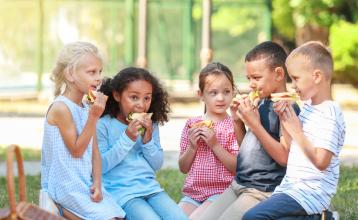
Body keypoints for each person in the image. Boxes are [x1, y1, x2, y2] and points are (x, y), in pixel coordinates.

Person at [198, 41, 300, 220]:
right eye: (249, 78)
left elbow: (284, 157)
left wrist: (255, 124)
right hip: (239, 184)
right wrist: (238, 122)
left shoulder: (287, 107)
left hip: (261, 190)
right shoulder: (261, 102)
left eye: (256, 77)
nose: (251, 84)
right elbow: (248, 148)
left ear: (278, 74)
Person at [243, 41, 346, 219]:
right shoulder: (308, 108)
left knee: (252, 217)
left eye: (296, 78)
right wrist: (284, 120)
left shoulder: (329, 114)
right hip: (290, 187)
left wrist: (297, 130)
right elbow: (293, 149)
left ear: (317, 76)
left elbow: (322, 162)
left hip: (309, 193)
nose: (293, 86)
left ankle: (319, 217)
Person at [40, 41, 125, 219]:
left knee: (119, 216)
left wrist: (97, 183)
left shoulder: (86, 106)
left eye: (100, 71)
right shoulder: (61, 108)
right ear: (70, 74)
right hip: (64, 186)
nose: (98, 78)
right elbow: (77, 150)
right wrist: (94, 117)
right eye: (91, 72)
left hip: (83, 183)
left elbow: (94, 153)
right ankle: (58, 207)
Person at [96, 67, 188, 220]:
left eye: (147, 98)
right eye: (134, 97)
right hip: (122, 193)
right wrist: (127, 137)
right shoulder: (103, 124)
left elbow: (157, 164)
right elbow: (101, 166)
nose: (141, 105)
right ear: (117, 95)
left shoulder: (151, 124)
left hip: (150, 189)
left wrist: (148, 140)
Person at [178, 62, 241, 219]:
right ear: (201, 95)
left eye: (226, 91)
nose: (221, 98)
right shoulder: (191, 124)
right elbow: (183, 168)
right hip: (193, 194)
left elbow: (237, 167)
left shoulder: (234, 125)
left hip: (221, 192)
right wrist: (192, 147)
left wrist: (215, 144)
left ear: (233, 92)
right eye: (213, 93)